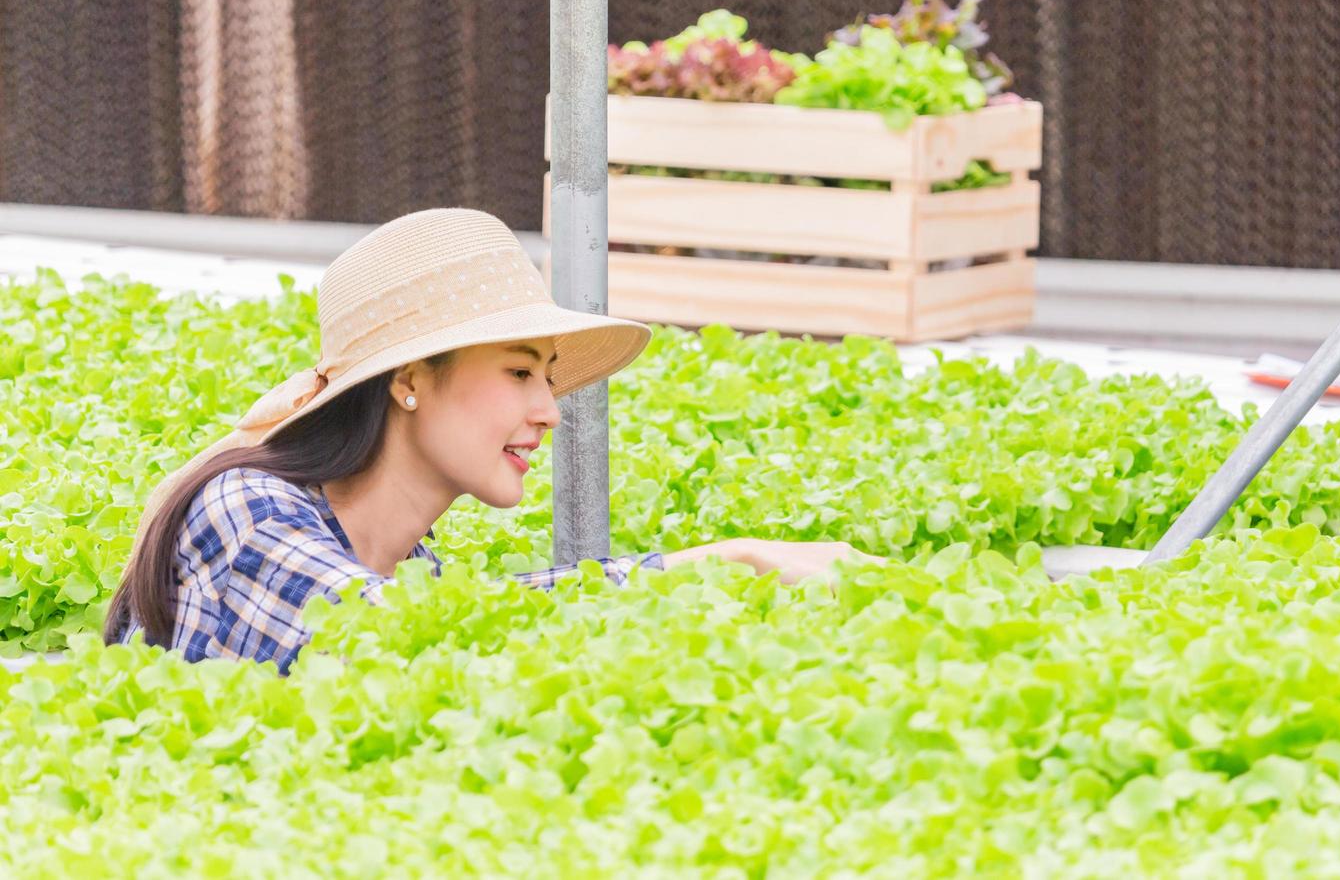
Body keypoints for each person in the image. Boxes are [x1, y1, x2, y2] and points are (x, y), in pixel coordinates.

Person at [102, 208, 876, 675]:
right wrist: (714, 564)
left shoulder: (413, 563)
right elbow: (393, 643)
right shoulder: (248, 509)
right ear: (410, 379)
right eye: (516, 372)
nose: (549, 411)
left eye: (546, 378)